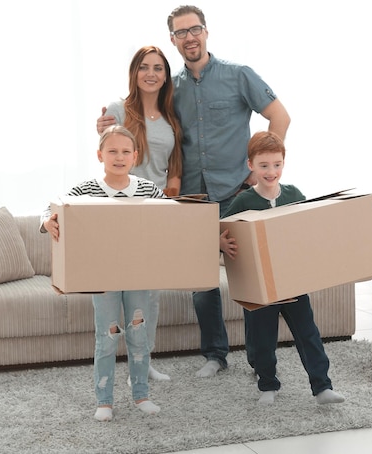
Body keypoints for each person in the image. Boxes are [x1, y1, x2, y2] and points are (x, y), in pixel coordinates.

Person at [97, 5, 291, 378]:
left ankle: (260, 361)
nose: (189, 37)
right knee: (203, 282)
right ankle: (216, 355)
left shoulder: (239, 75)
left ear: (206, 32)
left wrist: (259, 171)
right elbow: (145, 119)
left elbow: (280, 117)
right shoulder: (172, 89)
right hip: (193, 200)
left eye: (195, 29)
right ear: (173, 40)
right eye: (181, 33)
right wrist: (107, 123)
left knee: (252, 276)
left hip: (237, 193)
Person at [41, 125, 165, 421]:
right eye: (112, 151)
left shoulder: (148, 190)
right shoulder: (86, 190)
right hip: (102, 279)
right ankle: (104, 401)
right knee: (106, 338)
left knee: (139, 336)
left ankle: (141, 395)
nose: (119, 157)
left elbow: (174, 216)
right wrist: (47, 222)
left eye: (125, 152)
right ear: (100, 155)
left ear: (135, 156)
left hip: (139, 276)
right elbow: (49, 209)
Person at [220, 131, 345, 405]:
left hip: (292, 281)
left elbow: (308, 230)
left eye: (276, 164)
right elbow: (224, 231)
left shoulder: (294, 194)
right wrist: (220, 242)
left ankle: (322, 386)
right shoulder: (243, 202)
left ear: (283, 164)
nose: (271, 171)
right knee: (263, 339)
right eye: (264, 165)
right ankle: (267, 385)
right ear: (250, 165)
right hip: (260, 286)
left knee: (308, 333)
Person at [102, 45, 184, 383]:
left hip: (157, 214)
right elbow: (108, 152)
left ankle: (143, 360)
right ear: (135, 72)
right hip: (122, 212)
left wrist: (173, 195)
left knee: (150, 295)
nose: (152, 74)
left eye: (159, 68)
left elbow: (174, 167)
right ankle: (110, 358)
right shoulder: (117, 110)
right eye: (144, 67)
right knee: (120, 291)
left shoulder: (171, 118)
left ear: (166, 76)